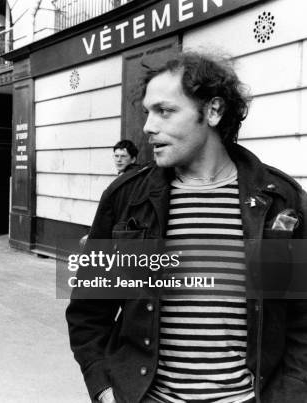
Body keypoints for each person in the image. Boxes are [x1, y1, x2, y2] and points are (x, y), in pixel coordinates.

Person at [66, 52, 307, 403]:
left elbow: (301, 323)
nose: (148, 126)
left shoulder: (280, 203)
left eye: (165, 111)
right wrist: (104, 389)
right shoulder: (126, 198)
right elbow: (88, 312)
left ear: (212, 111)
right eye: (147, 112)